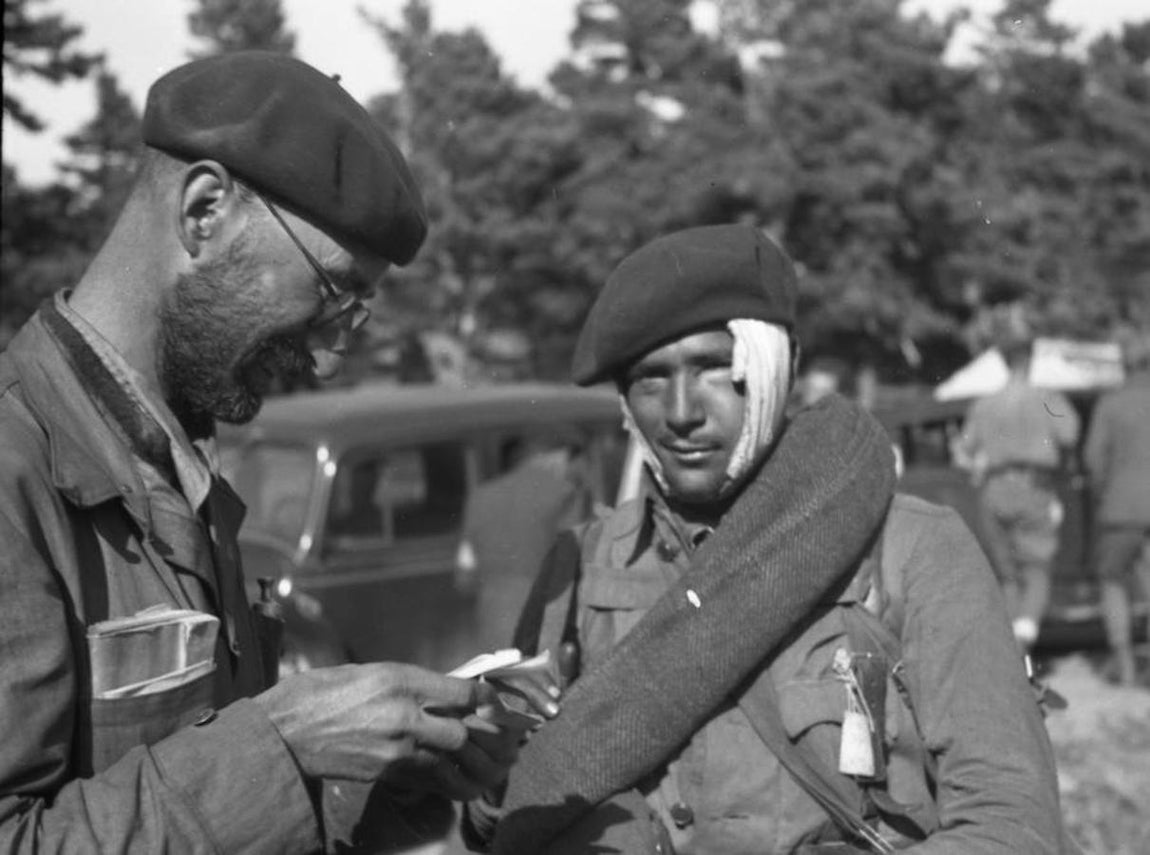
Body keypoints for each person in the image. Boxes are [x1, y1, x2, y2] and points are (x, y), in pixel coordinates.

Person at [0, 51, 555, 853]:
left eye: (354, 320)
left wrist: (383, 781)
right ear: (203, 211)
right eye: (329, 294)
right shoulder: (16, 469)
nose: (330, 360)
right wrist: (282, 742)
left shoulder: (175, 462)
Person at [463, 224, 1068, 853]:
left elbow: (1012, 826)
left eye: (716, 368)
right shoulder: (585, 568)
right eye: (649, 378)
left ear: (786, 367)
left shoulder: (911, 550)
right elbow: (509, 812)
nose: (680, 411)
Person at [954, 337, 1081, 650]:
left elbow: (962, 449)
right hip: (1034, 486)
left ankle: (1014, 648)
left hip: (994, 489)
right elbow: (1070, 434)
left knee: (1008, 575)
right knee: (1037, 567)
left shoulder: (984, 404)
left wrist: (977, 466)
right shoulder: (1047, 398)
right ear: (1032, 361)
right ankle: (1025, 632)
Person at [455, 436, 593, 652]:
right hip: (547, 624)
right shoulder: (565, 492)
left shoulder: (480, 497)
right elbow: (579, 557)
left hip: (492, 627)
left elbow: (464, 577)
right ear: (545, 456)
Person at [1083, 335, 1150, 686]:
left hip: (1121, 510)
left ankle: (1124, 663)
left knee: (1112, 581)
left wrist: (1102, 495)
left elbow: (1094, 460)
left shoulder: (1111, 404)